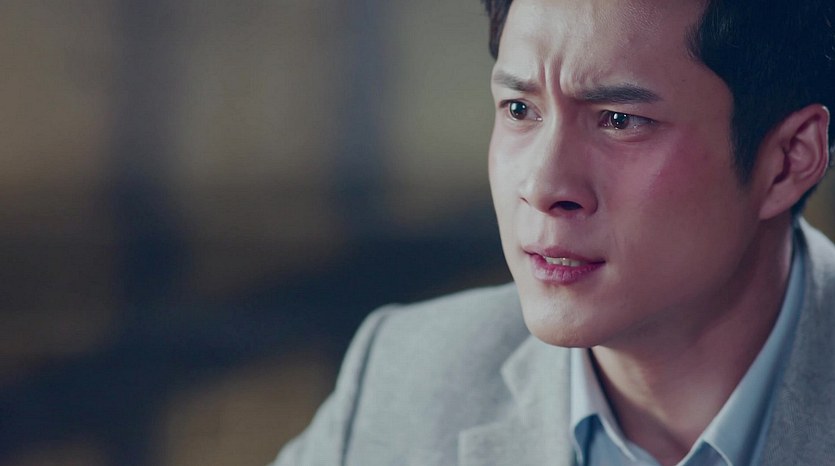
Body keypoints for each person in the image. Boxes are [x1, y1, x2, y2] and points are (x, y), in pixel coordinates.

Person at [272, 0, 835, 464]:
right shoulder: (406, 376)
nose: (543, 186)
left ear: (788, 160)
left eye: (619, 120)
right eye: (520, 109)